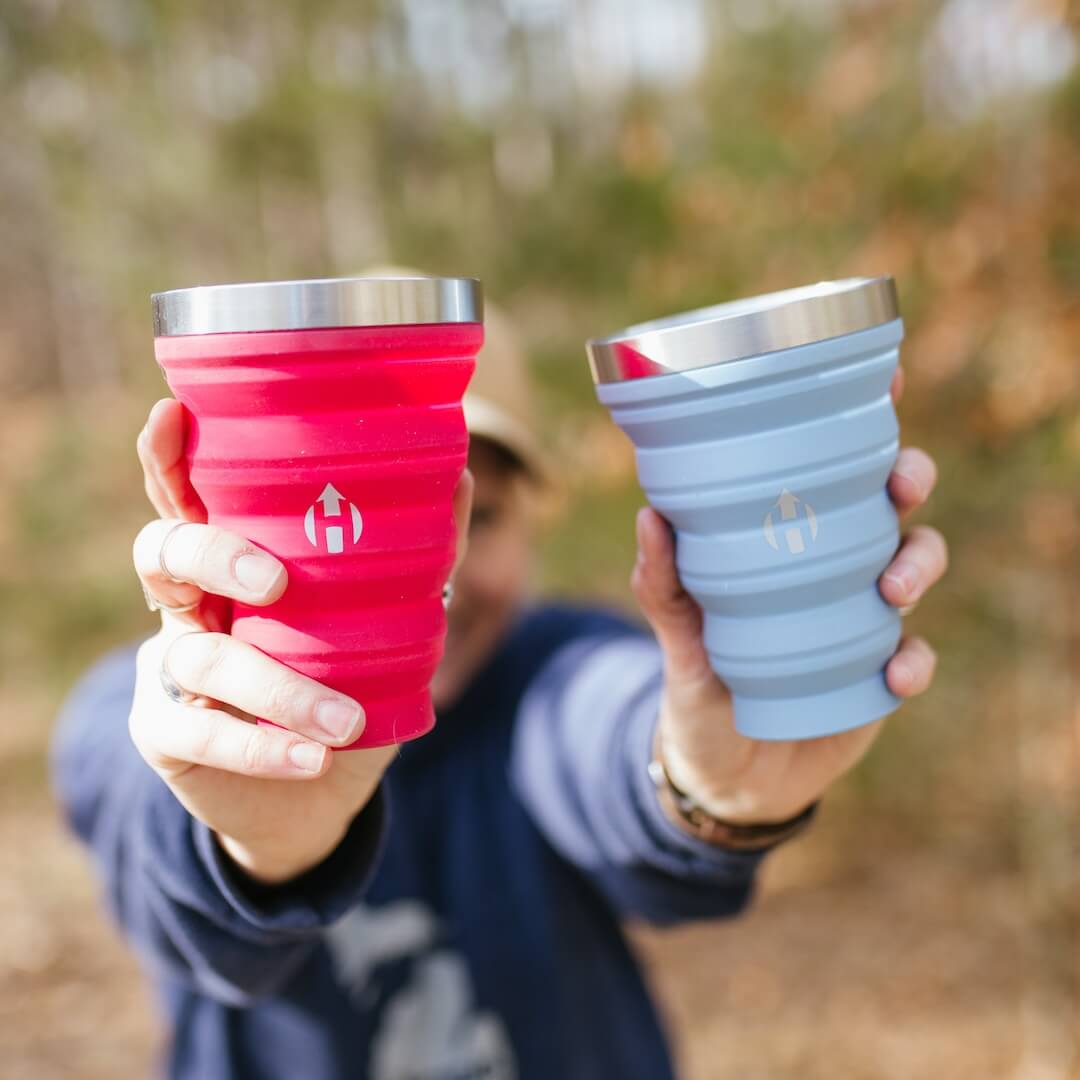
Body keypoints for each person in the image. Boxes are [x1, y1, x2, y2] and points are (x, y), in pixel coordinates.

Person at [51, 285, 947, 1080]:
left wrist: (711, 785)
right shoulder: (154, 712)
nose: (428, 566)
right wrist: (261, 847)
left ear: (526, 521)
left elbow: (614, 729)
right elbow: (140, 828)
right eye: (368, 499)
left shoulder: (552, 673)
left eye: (465, 510)